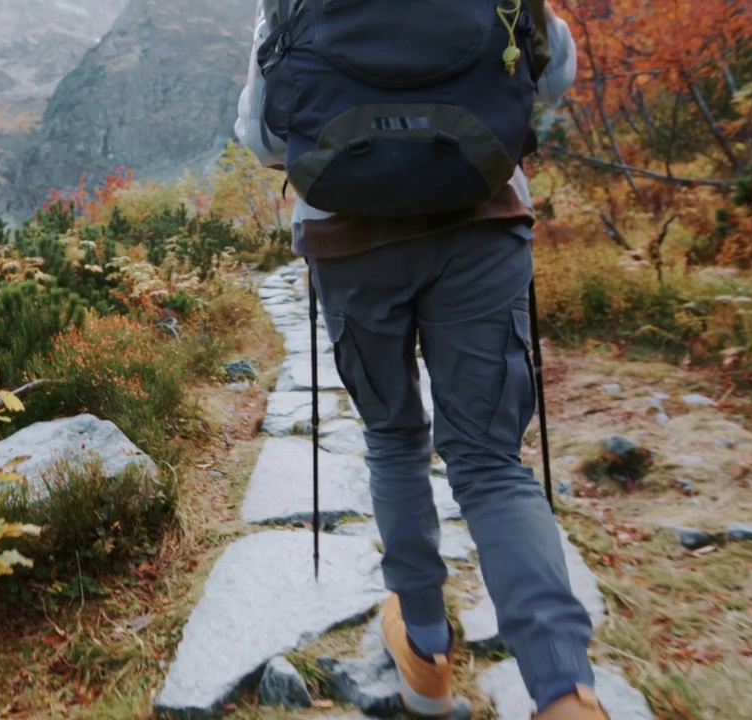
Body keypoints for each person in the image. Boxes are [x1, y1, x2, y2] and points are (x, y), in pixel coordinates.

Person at [234, 2, 609, 719]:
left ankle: (427, 654)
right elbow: (555, 73)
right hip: (483, 221)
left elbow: (262, 138)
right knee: (490, 463)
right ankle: (565, 691)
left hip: (350, 243)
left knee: (394, 439)